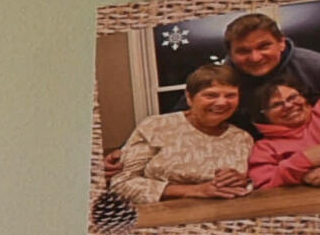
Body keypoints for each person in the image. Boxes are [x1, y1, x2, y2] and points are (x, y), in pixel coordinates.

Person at [106, 63, 253, 210]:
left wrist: (242, 181)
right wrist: (195, 191)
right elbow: (121, 185)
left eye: (230, 95)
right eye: (211, 95)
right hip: (159, 216)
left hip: (223, 215)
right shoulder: (157, 126)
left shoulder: (242, 138)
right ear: (189, 98)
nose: (222, 102)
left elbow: (250, 186)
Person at [221, 12, 320, 130]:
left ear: (281, 43)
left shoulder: (316, 66)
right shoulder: (223, 80)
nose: (255, 58)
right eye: (243, 51)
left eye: (264, 47)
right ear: (231, 54)